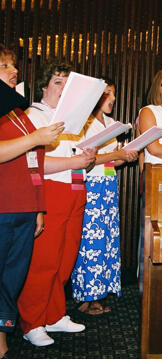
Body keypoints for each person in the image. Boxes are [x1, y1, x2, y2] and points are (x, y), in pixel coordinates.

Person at [17, 60, 97, 347]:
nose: (63, 89)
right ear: (44, 86)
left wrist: (87, 155)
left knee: (64, 259)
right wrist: (75, 160)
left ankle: (54, 314)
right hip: (50, 190)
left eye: (68, 84)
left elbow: (78, 158)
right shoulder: (35, 116)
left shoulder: (73, 119)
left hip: (75, 188)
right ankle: (32, 322)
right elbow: (34, 162)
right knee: (43, 261)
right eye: (58, 82)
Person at [0, 44, 64, 359]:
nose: (14, 71)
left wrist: (39, 205)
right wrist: (36, 138)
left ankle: (2, 338)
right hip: (2, 206)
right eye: (5, 66)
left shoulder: (18, 112)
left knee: (12, 279)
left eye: (13, 66)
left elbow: (34, 163)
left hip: (24, 207)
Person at [71, 79, 139, 315]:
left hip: (109, 184)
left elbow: (112, 161)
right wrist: (115, 153)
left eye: (113, 94)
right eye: (106, 94)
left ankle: (98, 293)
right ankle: (85, 297)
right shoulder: (84, 123)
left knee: (106, 241)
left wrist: (126, 155)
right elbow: (84, 160)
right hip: (91, 185)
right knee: (89, 241)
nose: (111, 99)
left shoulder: (111, 123)